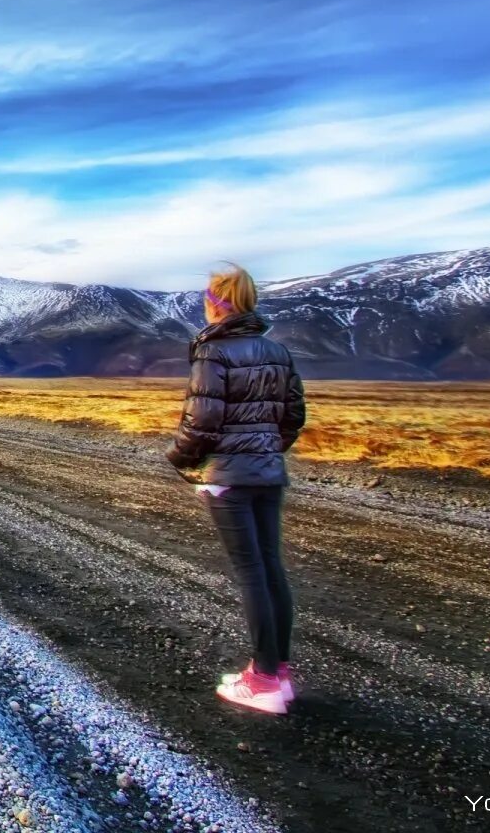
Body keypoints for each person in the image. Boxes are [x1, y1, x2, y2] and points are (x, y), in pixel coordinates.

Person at [164, 264, 306, 714]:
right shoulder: (277, 351)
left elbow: (201, 420)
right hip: (267, 472)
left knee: (250, 572)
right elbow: (293, 416)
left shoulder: (214, 351)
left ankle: (262, 680)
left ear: (216, 301)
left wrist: (182, 458)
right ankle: (277, 674)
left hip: (228, 476)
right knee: (269, 567)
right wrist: (265, 450)